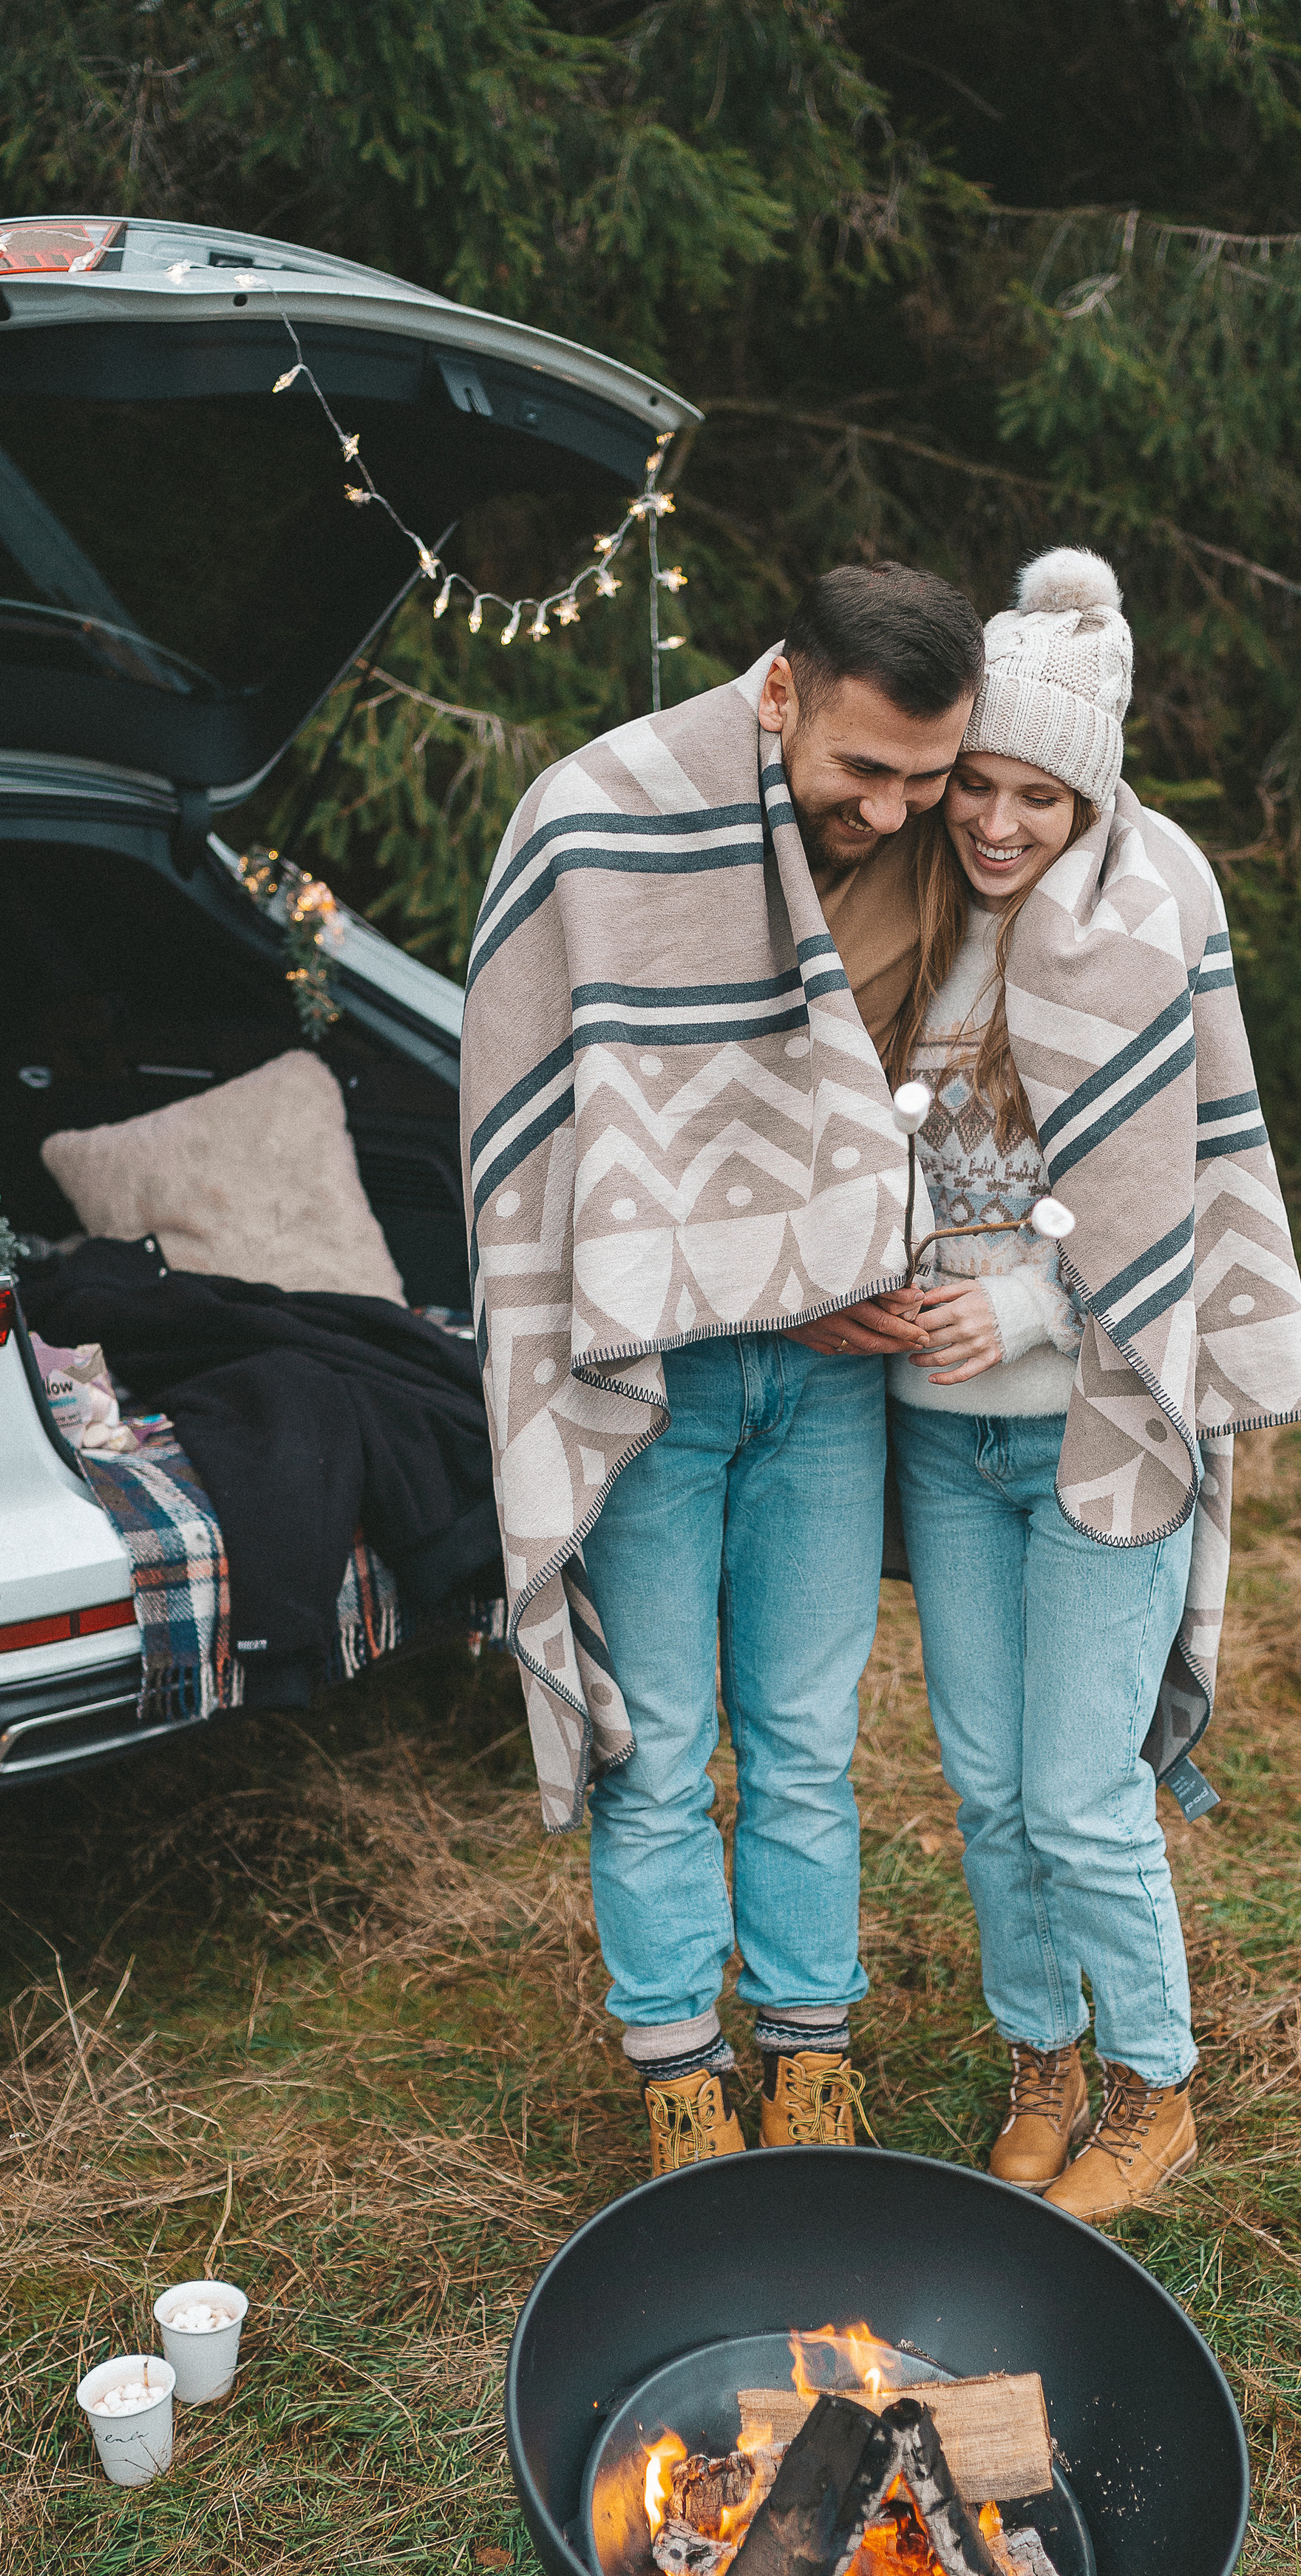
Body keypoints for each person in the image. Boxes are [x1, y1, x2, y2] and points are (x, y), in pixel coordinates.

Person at [461, 566, 983, 2180]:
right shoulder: (598, 822)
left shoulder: (916, 867)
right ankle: (680, 2069)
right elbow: (537, 1134)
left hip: (823, 1391)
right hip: (653, 1386)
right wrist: (774, 1282)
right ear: (779, 691)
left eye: (927, 777)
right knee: (661, 1744)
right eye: (864, 770)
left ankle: (810, 2057)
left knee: (809, 1737)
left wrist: (866, 1272)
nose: (894, 810)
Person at [875, 549, 1301, 2221]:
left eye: (1035, 795)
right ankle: (1037, 2055)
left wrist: (1031, 1314)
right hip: (940, 1447)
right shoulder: (906, 927)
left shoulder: (1148, 917)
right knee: (988, 1789)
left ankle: (1154, 2086)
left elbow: (1177, 1201)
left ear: (1090, 790)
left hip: (1095, 1427)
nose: (997, 825)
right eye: (975, 788)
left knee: (1079, 1790)